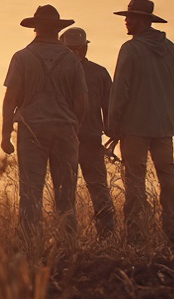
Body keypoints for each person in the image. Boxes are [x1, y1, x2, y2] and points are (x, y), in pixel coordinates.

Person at [1, 5, 88, 238]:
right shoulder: (71, 59)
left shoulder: (22, 57)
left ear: (36, 28)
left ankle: (30, 240)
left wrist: (5, 134)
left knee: (30, 189)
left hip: (31, 130)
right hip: (64, 129)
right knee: (65, 190)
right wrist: (74, 128)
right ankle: (68, 242)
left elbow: (10, 100)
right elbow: (81, 102)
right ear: (57, 29)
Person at [108, 0, 174, 245]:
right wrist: (167, 112)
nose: (126, 21)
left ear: (142, 21)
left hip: (134, 128)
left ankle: (137, 235)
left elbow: (120, 90)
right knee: (168, 177)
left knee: (135, 179)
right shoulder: (171, 48)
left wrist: (112, 125)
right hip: (164, 127)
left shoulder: (130, 49)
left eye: (130, 17)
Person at [60, 26, 117, 238]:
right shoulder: (99, 72)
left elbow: (108, 109)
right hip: (86, 140)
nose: (75, 52)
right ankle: (107, 235)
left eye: (78, 49)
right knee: (97, 189)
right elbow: (109, 111)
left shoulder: (59, 73)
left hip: (74, 141)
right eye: (72, 49)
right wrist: (112, 131)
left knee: (67, 191)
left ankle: (69, 236)